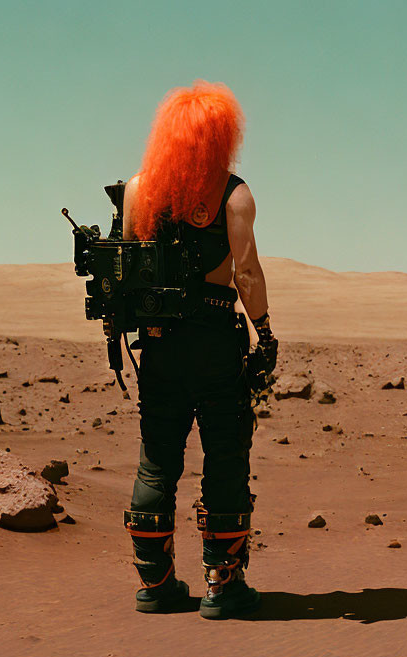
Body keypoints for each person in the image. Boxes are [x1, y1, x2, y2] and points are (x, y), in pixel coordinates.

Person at [121, 80, 277, 618]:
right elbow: (247, 272)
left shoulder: (139, 189)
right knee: (226, 458)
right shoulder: (234, 195)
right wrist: (265, 331)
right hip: (215, 342)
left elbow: (128, 267)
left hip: (160, 346)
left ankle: (157, 584)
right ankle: (223, 585)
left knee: (156, 463)